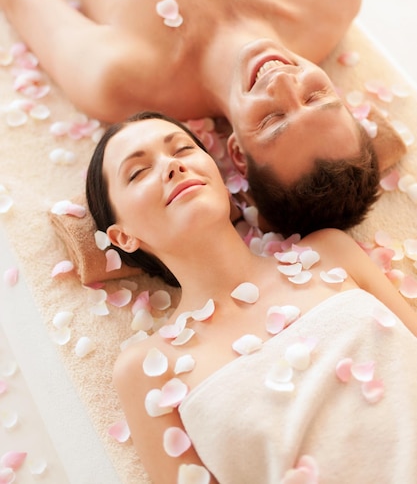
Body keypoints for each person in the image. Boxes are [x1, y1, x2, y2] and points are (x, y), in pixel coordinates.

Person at [0, 0, 380, 236]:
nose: (282, 82)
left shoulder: (124, 82)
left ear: (237, 154)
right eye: (315, 95)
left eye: (271, 119)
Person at [86, 111, 417, 484]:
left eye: (182, 149)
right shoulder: (145, 369)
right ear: (122, 237)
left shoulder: (330, 251)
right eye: (138, 172)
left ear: (220, 179)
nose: (172, 166)